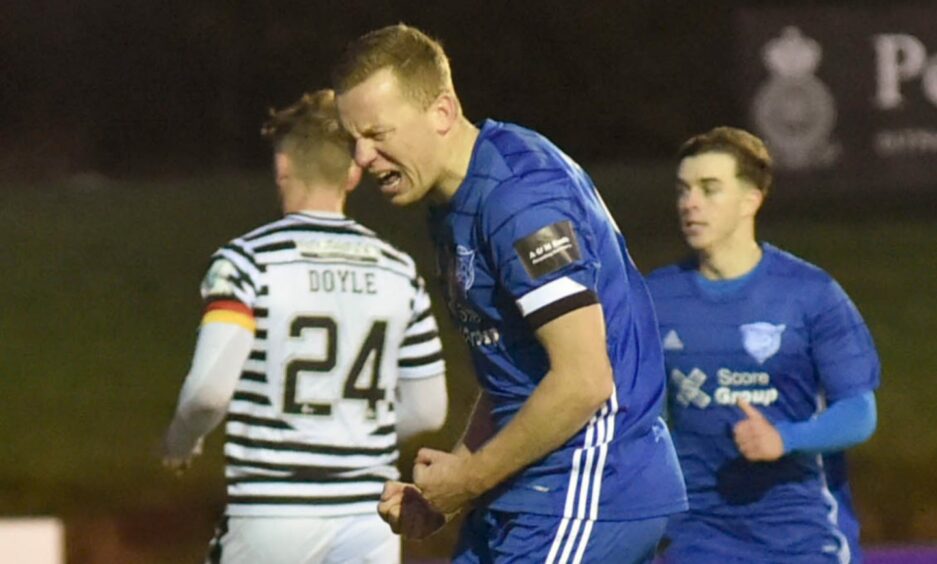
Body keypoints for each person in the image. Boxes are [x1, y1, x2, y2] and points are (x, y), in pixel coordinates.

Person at [332, 24, 687, 564]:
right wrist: (444, 492)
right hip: (530, 489)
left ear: (443, 112)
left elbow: (584, 380)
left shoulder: (519, 200)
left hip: (591, 483)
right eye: (352, 138)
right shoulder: (454, 202)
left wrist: (469, 480)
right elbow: (512, 372)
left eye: (379, 133)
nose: (361, 157)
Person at [161, 89, 448, 564]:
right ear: (355, 172)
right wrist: (350, 434)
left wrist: (182, 439)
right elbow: (428, 409)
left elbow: (209, 392)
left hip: (272, 515)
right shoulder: (399, 271)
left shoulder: (247, 263)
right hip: (368, 518)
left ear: (282, 167)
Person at [645, 126, 880, 563]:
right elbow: (640, 415)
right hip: (699, 536)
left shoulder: (810, 294)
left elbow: (859, 413)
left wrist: (784, 438)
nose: (689, 203)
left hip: (802, 536)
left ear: (751, 199)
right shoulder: (657, 298)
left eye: (709, 189)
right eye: (683, 190)